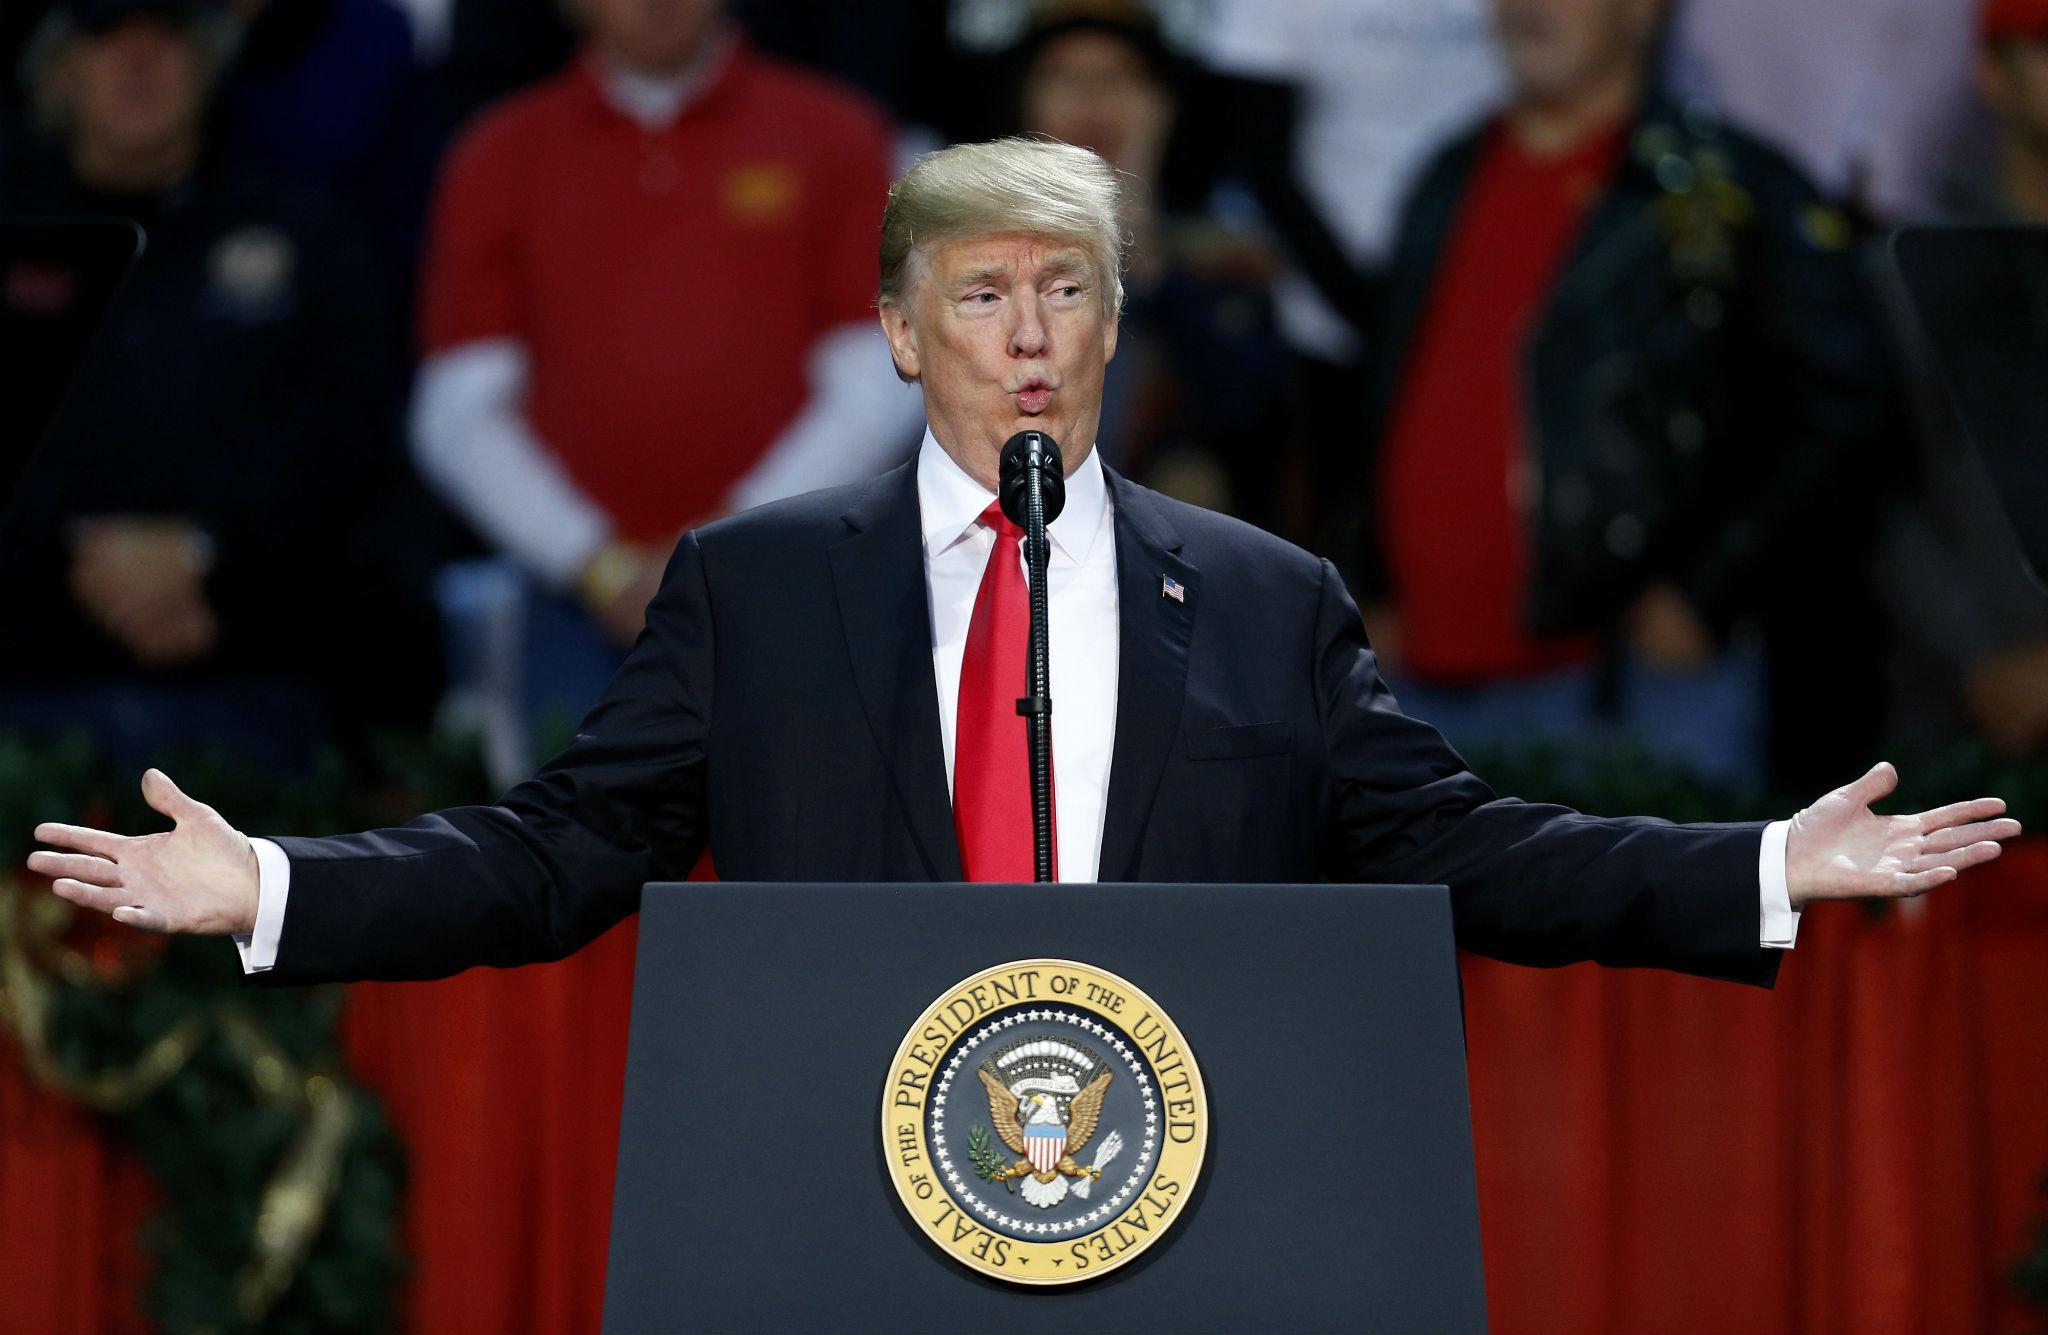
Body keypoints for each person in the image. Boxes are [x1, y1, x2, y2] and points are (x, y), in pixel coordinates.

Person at [23, 138, 2018, 991]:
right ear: (900, 331)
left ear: (1119, 320)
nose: (1033, 329)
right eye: (983, 291)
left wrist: (1763, 860)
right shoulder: (756, 588)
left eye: (1070, 287)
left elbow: (1468, 846)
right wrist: (272, 881)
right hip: (849, 1190)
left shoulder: (1263, 597)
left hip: (1182, 1189)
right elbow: (560, 851)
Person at [1347, 0, 1901, 791]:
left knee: (1644, 912)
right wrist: (1375, 580)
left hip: (1632, 689)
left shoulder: (1731, 187)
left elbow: (1847, 407)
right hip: (1423, 685)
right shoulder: (1449, 171)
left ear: (1643, 11)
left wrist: (1707, 595)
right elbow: (1380, 395)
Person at [408, 0, 924, 741]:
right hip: (572, 601)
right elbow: (459, 408)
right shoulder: (500, 152)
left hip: (802, 585)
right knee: (579, 847)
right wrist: (595, 562)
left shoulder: (837, 133)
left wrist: (731, 544)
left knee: (798, 842)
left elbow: (884, 372)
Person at [0, 0, 441, 770]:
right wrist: (94, 555)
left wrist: (205, 547)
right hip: (26, 678)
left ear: (211, 58)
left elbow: (355, 440)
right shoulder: (14, 231)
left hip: (259, 681)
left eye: (166, 33)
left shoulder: (308, 233)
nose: (138, 62)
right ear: (58, 67)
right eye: (106, 34)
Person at [1007, 2, 1291, 522]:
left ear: (1164, 106)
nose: (1092, 99)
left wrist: (1137, 233)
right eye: (1064, 77)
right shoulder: (959, 246)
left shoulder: (1225, 251)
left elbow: (1246, 413)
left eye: (1120, 78)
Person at [1875, 0, 2048, 760]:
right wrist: (1980, 658)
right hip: (1956, 728)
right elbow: (1876, 496)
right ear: (1991, 73)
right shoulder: (1906, 271)